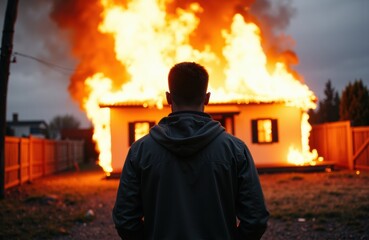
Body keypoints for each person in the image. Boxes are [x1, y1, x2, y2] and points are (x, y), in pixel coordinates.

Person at [112, 62, 269, 240]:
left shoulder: (140, 151)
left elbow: (125, 220)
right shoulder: (235, 150)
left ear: (169, 98)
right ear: (207, 98)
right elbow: (256, 219)